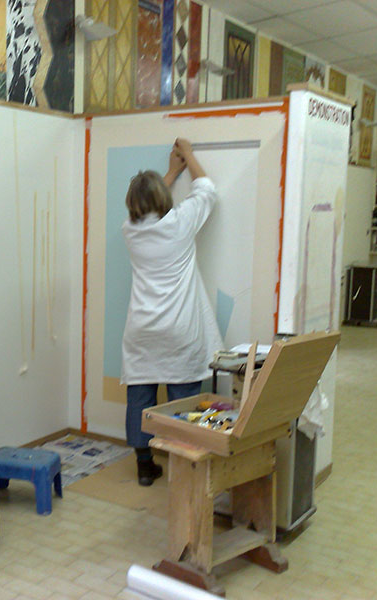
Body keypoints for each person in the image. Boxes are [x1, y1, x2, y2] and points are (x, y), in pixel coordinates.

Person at [120, 138, 224, 486]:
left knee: (141, 400)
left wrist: (169, 172)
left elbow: (147, 204)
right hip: (179, 328)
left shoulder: (130, 231)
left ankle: (144, 466)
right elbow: (207, 190)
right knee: (184, 400)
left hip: (142, 330)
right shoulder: (180, 223)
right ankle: (185, 468)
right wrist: (189, 158)